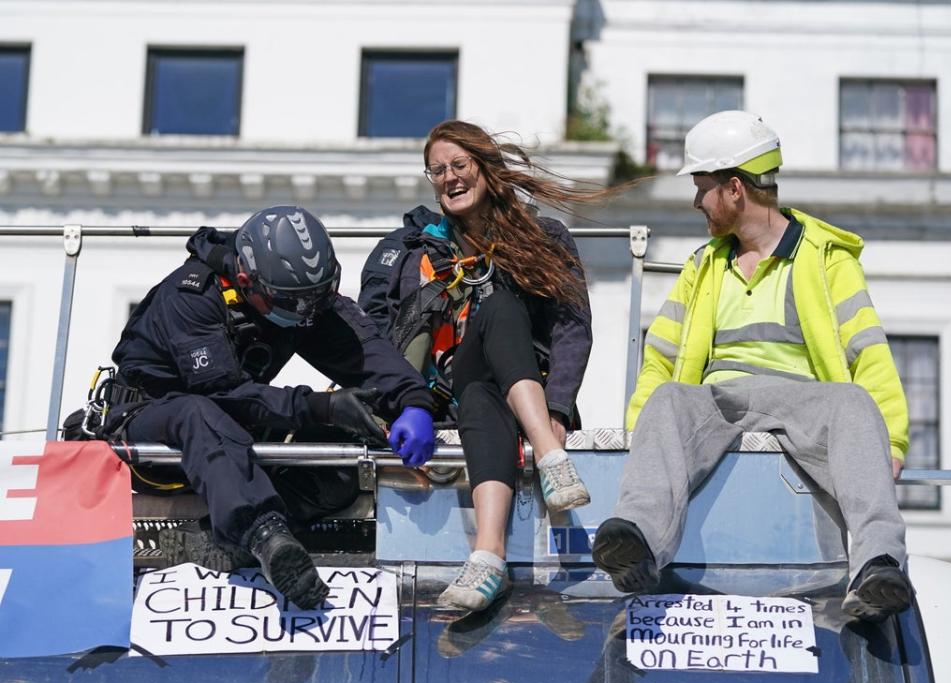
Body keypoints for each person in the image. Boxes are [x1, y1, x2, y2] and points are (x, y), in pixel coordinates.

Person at [591, 110, 913, 623]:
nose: (697, 201)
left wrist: (890, 441)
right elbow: (662, 360)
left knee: (853, 402)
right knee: (668, 397)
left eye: (702, 188)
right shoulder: (702, 266)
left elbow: (867, 351)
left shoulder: (828, 260)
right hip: (717, 403)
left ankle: (878, 564)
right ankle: (638, 544)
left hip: (804, 403)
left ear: (735, 189)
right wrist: (640, 435)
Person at [105, 205, 435, 609]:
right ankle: (264, 534)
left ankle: (227, 543)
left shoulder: (298, 300)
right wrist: (322, 406)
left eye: (317, 301)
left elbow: (364, 351)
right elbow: (223, 394)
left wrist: (413, 402)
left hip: (234, 433)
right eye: (298, 305)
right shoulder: (190, 297)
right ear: (246, 281)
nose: (308, 315)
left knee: (341, 445)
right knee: (199, 412)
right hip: (154, 426)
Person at [360, 120, 602, 611]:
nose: (449, 178)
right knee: (482, 351)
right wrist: (401, 404)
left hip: (519, 399)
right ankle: (551, 460)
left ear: (487, 169)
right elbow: (379, 330)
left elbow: (571, 329)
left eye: (459, 165)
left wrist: (557, 407)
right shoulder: (415, 250)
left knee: (495, 327)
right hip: (442, 395)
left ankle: (487, 555)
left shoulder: (544, 237)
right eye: (437, 170)